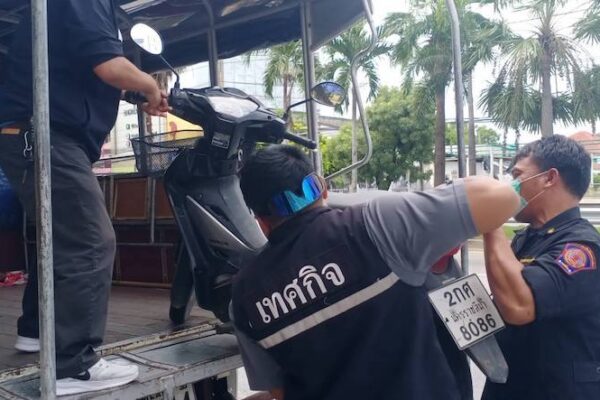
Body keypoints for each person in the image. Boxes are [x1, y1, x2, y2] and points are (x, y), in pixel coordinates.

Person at [230, 145, 520, 400]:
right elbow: (502, 196)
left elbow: (280, 392)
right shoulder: (376, 225)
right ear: (321, 188)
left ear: (260, 220)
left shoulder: (243, 298)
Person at [0, 1, 169, 395]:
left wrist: (135, 90)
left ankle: (35, 331)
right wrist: (149, 85)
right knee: (91, 242)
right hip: (43, 134)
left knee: (63, 239)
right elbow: (108, 66)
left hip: (35, 133)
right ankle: (73, 366)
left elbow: (84, 71)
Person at [482, 135, 600, 400]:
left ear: (549, 178)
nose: (510, 185)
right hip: (512, 386)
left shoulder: (582, 248)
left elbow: (519, 307)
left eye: (517, 175)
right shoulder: (528, 238)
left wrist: (490, 219)